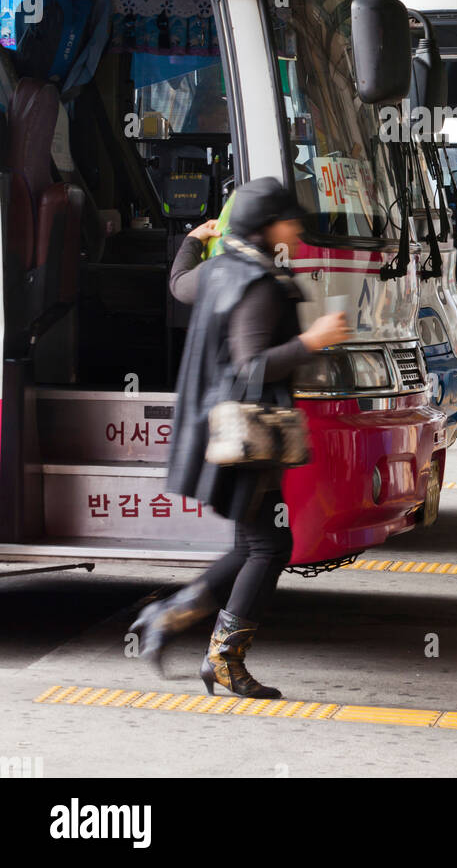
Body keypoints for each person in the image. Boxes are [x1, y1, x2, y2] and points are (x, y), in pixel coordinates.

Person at [129, 177, 348, 698]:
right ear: (267, 225)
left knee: (256, 542)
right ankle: (220, 657)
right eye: (289, 220)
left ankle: (171, 617)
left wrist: (193, 239)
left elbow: (178, 284)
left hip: (219, 429)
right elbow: (249, 367)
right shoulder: (259, 283)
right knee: (270, 545)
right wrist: (309, 342)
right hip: (248, 434)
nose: (296, 229)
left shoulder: (218, 269)